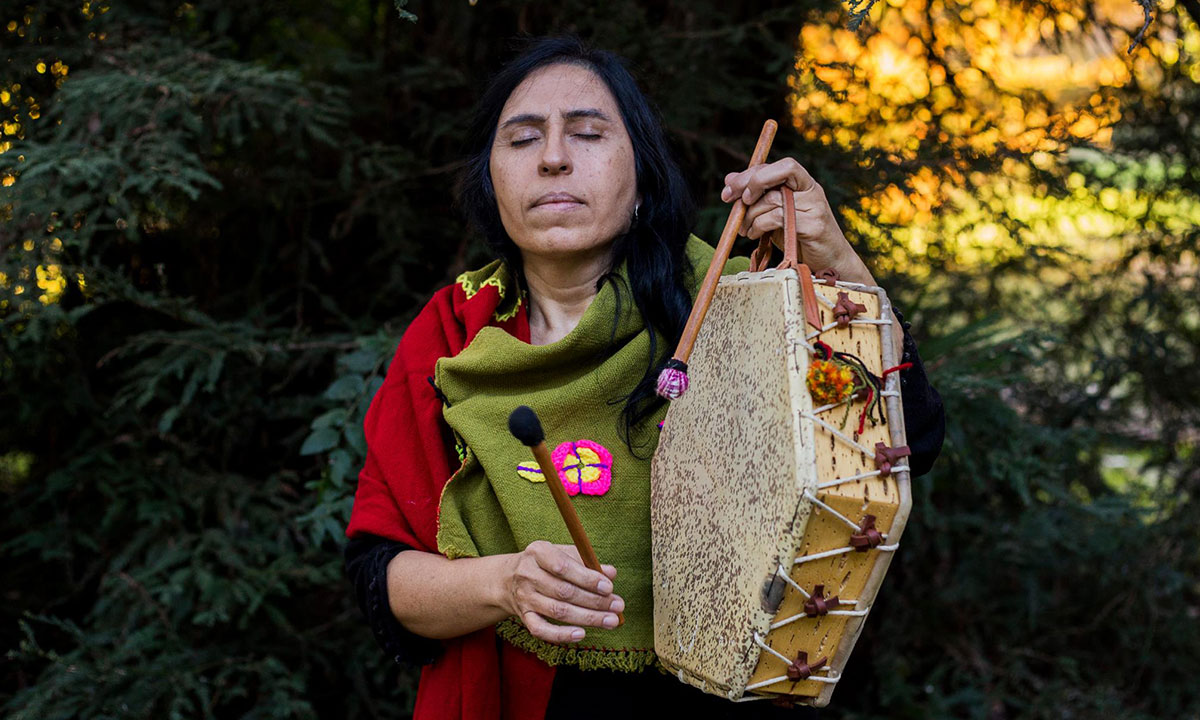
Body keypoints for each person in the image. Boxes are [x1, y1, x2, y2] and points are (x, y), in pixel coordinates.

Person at [343, 35, 944, 720]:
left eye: (589, 133)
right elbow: (378, 574)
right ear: (490, 178)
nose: (553, 158)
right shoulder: (453, 331)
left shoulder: (733, 305)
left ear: (642, 176)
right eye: (522, 139)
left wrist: (837, 259)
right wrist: (505, 583)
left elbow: (907, 437)